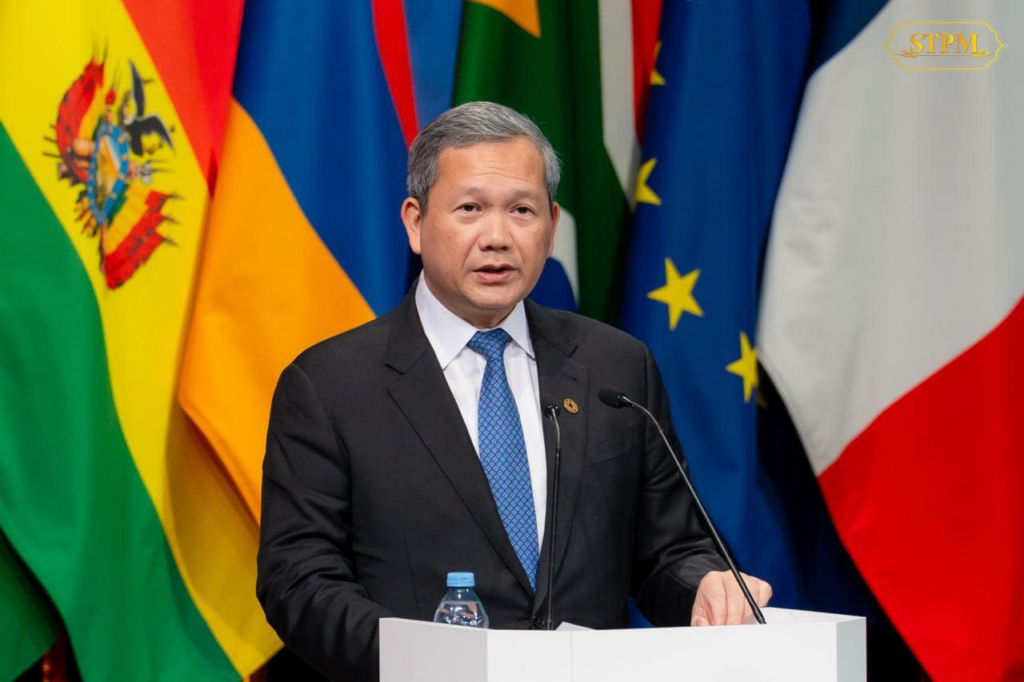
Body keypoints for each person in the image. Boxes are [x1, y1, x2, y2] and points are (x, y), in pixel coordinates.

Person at [256, 102, 772, 681]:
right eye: (470, 209)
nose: (497, 237)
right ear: (415, 222)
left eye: (521, 210)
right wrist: (431, 663)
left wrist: (704, 585)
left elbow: (668, 550)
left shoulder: (616, 368)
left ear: (551, 226)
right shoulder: (330, 385)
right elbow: (299, 580)